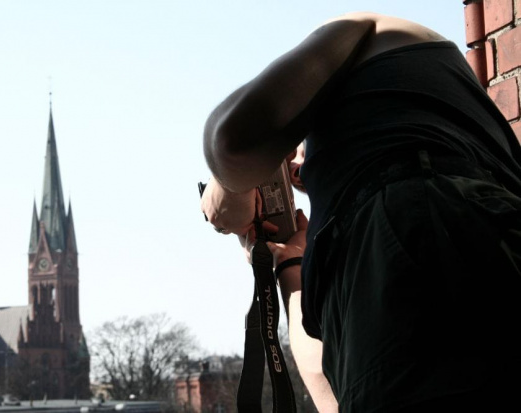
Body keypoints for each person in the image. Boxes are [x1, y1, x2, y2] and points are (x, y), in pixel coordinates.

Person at [201, 11, 521, 412]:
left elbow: (234, 141)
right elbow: (332, 392)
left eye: (300, 149)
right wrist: (289, 265)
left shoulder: (370, 31)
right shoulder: (352, 257)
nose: (298, 166)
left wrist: (224, 194)